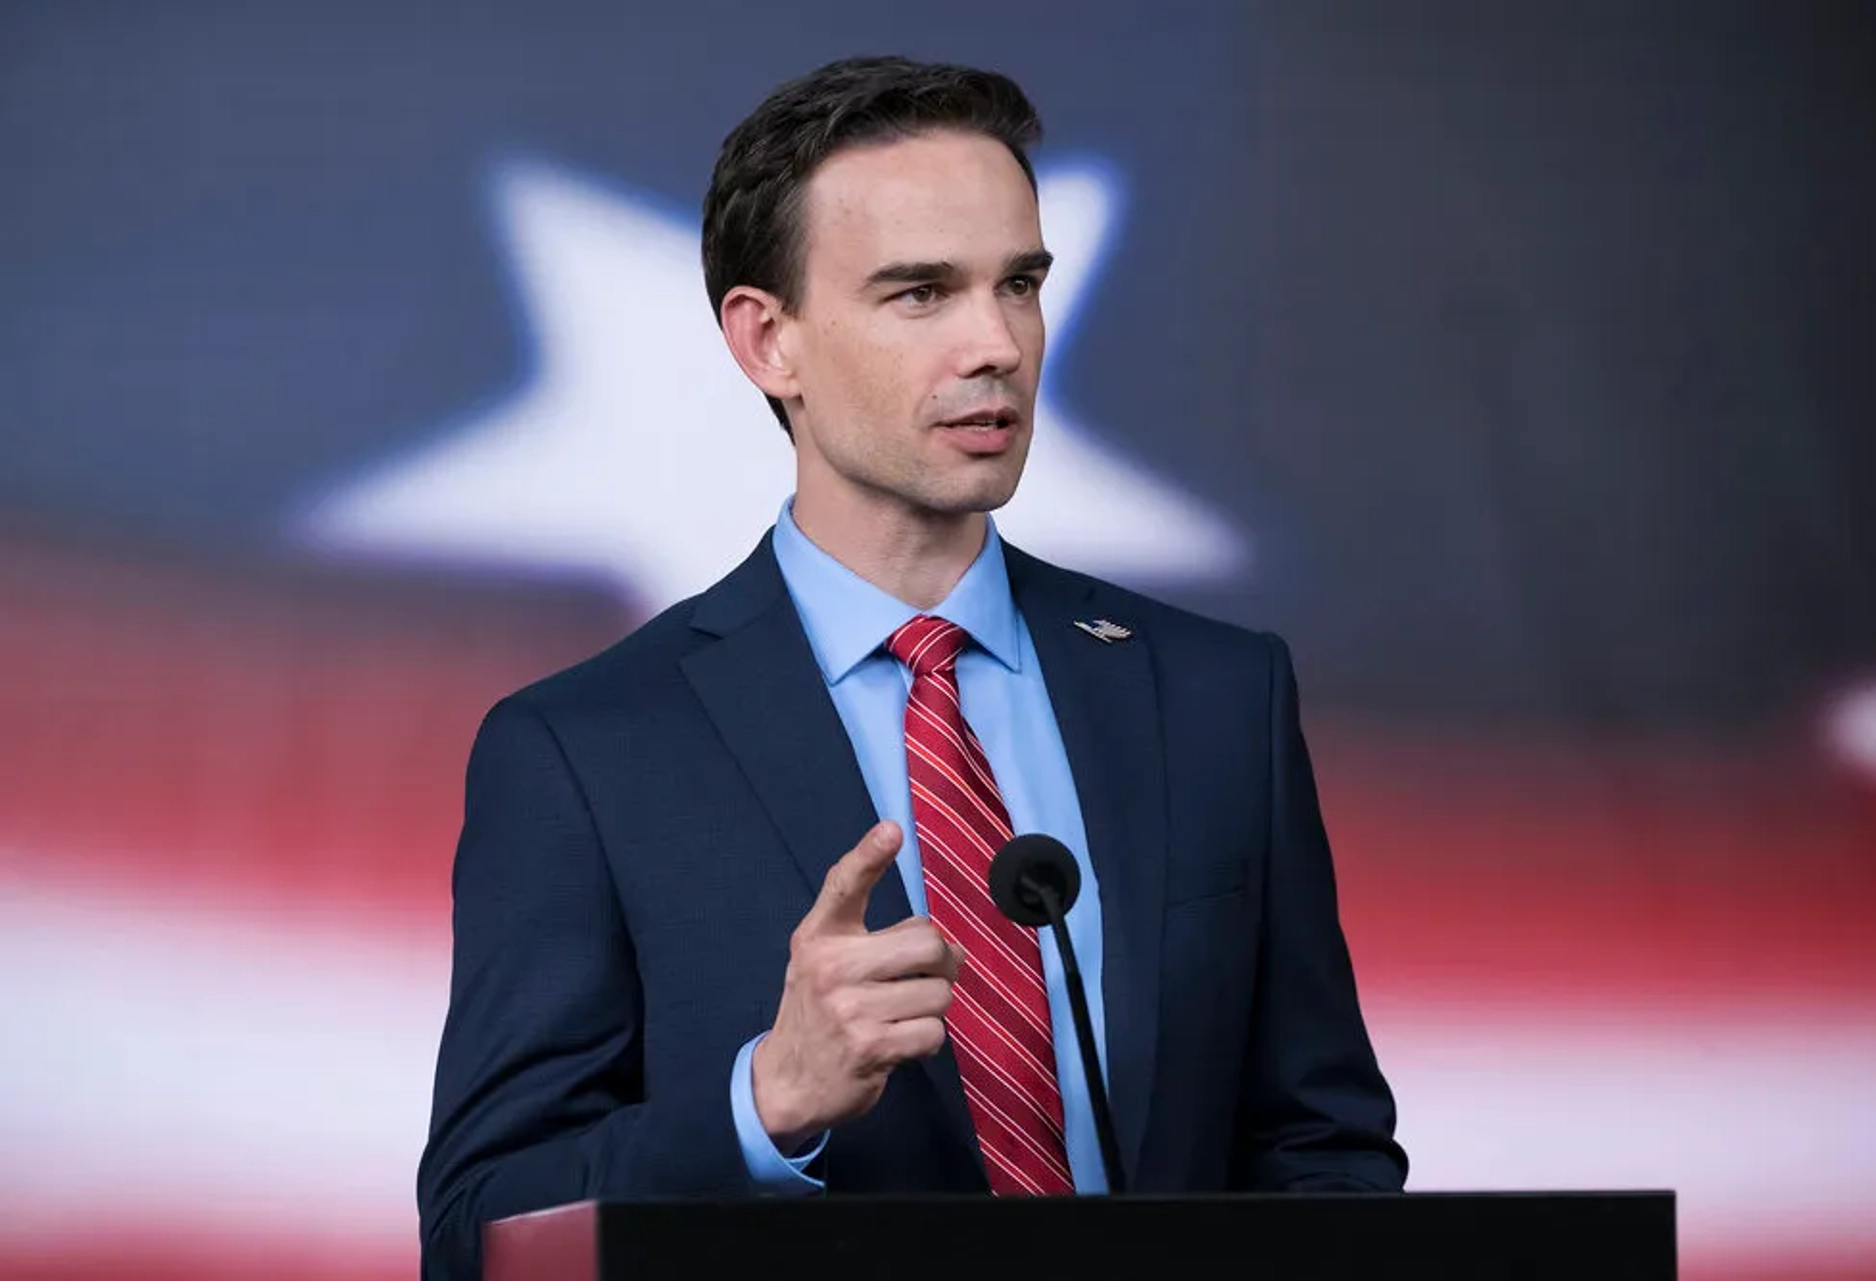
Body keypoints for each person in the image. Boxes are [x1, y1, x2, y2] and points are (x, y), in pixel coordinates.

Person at [417, 54, 1406, 1281]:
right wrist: (766, 1102)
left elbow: (1323, 1147)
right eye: (921, 293)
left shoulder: (1218, 694)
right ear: (768, 340)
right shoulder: (583, 751)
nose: (996, 344)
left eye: (1021, 284)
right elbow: (481, 1235)